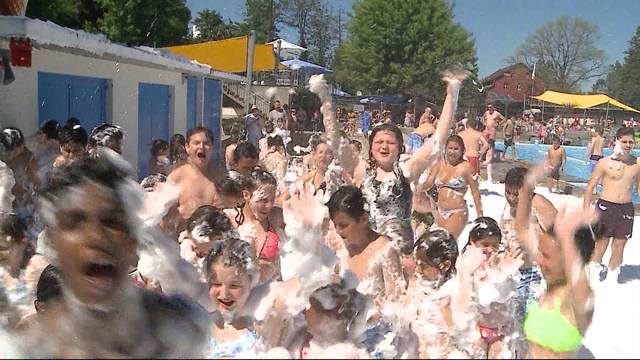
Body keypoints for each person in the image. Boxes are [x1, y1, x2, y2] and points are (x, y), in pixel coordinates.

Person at [21, 157, 208, 357]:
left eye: (111, 222)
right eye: (76, 222)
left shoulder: (179, 332)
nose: (96, 237)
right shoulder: (30, 348)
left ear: (133, 240)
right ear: (55, 242)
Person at [516, 168, 596, 359]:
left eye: (546, 256)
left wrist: (567, 238)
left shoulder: (576, 300)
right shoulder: (550, 289)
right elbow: (521, 228)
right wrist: (527, 189)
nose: (539, 261)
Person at [326, 186, 405, 308]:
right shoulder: (340, 248)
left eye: (343, 225)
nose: (338, 231)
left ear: (363, 219)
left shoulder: (386, 250)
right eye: (335, 224)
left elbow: (396, 303)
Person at [584, 127, 640, 281]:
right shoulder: (603, 162)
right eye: (624, 141)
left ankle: (612, 277)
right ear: (617, 141)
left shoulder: (637, 163)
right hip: (605, 207)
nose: (628, 145)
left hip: (626, 209)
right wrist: (586, 210)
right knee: (601, 244)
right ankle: (594, 275)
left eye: (631, 142)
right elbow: (590, 187)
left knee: (619, 246)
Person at [203, 238, 265, 358]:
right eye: (216, 284)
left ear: (251, 282)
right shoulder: (200, 326)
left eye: (234, 286)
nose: (224, 294)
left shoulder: (260, 328)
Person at [421, 135, 483, 239]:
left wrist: (480, 215)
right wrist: (415, 186)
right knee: (441, 245)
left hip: (457, 211)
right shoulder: (439, 165)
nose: (452, 152)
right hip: (440, 211)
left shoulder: (467, 167)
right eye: (450, 148)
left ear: (462, 150)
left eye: (456, 149)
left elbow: (475, 193)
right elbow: (428, 184)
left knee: (449, 241)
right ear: (445, 149)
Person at [166, 126, 223, 237]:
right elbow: (165, 218)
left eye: (206, 143)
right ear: (187, 147)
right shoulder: (177, 177)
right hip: (184, 246)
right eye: (196, 143)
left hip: (214, 246)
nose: (201, 147)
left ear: (212, 147)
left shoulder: (221, 178)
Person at [236, 169, 284, 283]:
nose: (269, 206)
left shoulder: (275, 217)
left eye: (272, 200)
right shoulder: (231, 219)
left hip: (272, 291)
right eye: (264, 200)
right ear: (246, 195)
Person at [482, 104, 505, 182]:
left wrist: (498, 124)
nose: (489, 109)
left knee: (491, 143)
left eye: (490, 108)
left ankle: (490, 155)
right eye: (488, 108)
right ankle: (483, 156)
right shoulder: (486, 113)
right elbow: (483, 118)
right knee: (484, 143)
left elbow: (503, 119)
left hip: (492, 129)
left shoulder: (496, 113)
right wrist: (484, 123)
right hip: (486, 128)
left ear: (493, 108)